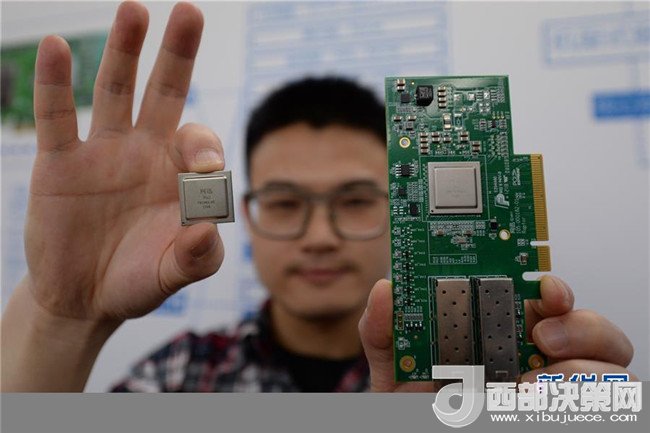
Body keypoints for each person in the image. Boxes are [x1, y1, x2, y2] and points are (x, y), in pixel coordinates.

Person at [1, 1, 636, 392]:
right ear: (244, 215)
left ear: (407, 209)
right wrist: (63, 317)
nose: (320, 236)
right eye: (284, 203)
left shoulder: (488, 375)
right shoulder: (179, 378)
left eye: (355, 199)